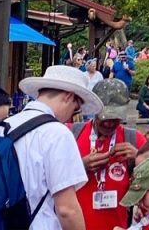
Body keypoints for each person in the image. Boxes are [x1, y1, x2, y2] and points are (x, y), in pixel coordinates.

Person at [8, 65, 103, 230]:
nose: (71, 116)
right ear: (68, 96)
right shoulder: (57, 132)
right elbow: (67, 209)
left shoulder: (8, 124)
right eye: (75, 109)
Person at [73, 78, 147, 230]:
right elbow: (51, 179)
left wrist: (139, 158)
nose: (110, 123)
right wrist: (81, 166)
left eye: (116, 118)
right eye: (105, 117)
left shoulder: (134, 139)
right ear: (94, 110)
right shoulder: (72, 135)